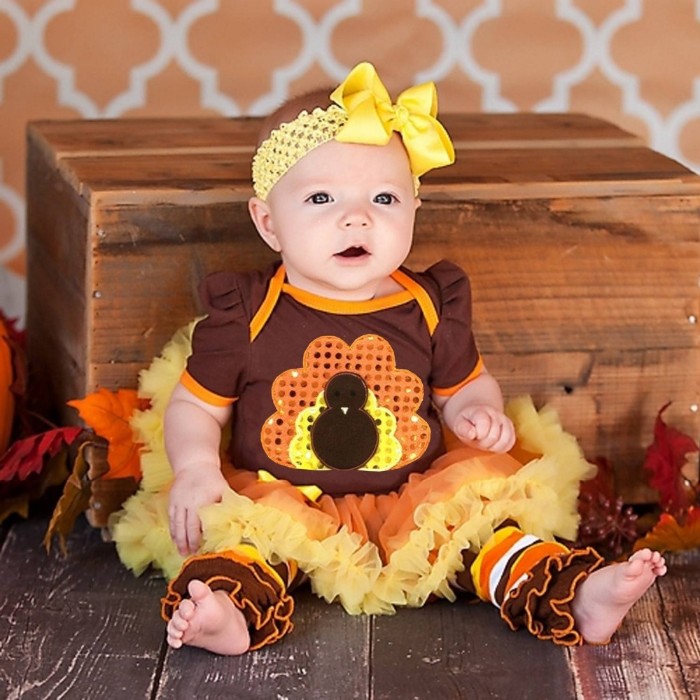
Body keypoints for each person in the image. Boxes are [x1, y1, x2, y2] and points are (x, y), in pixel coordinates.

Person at [111, 62, 666, 656]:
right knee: (241, 539)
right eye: (322, 198)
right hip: (283, 498)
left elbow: (464, 385)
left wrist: (475, 413)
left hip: (415, 497)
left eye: (384, 197)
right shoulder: (247, 312)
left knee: (490, 529)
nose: (357, 217)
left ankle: (575, 594)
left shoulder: (428, 303)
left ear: (413, 209)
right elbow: (197, 404)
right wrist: (196, 465)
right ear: (269, 222)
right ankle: (228, 613)